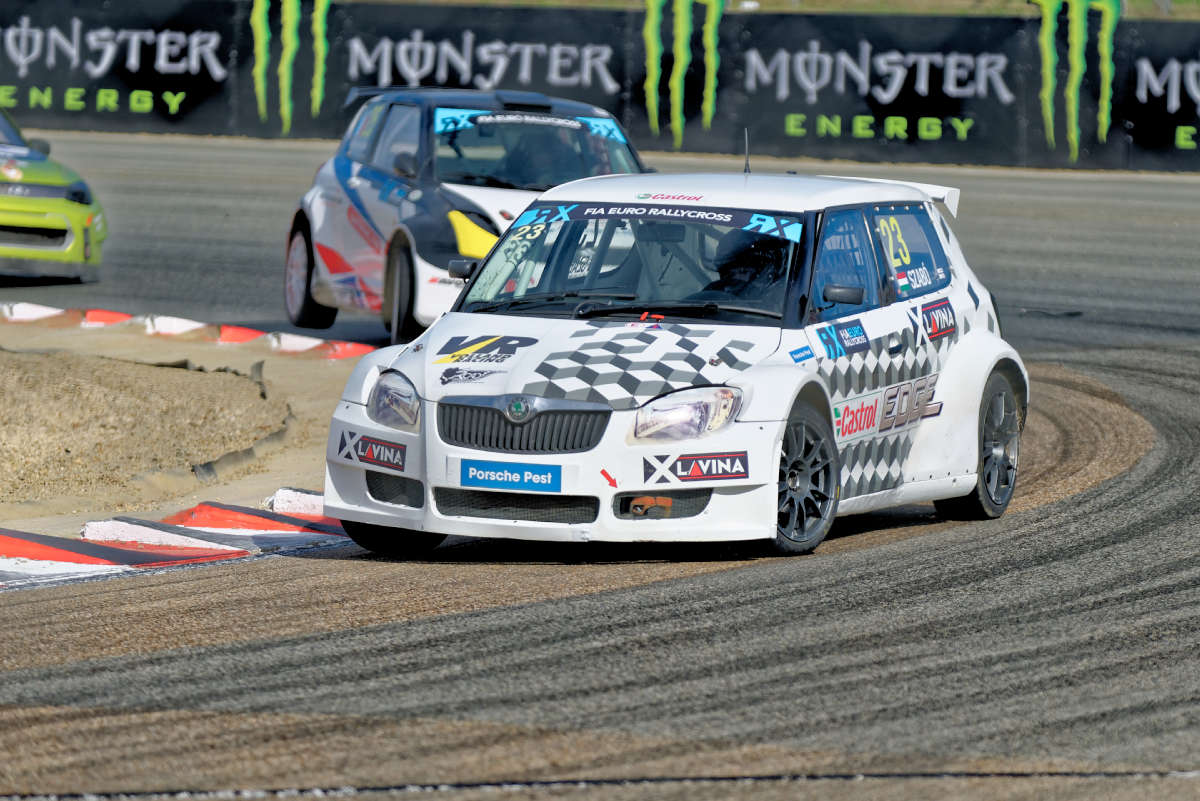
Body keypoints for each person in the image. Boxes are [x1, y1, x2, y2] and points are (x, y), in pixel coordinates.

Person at [694, 228, 789, 300]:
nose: (736, 278)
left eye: (744, 271)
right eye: (731, 272)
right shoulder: (713, 291)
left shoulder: (784, 302)